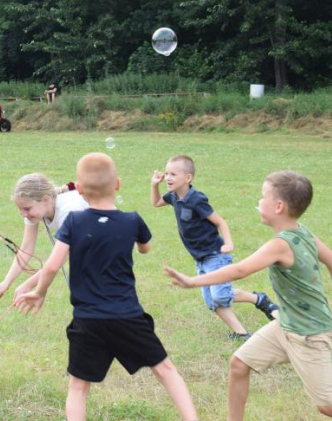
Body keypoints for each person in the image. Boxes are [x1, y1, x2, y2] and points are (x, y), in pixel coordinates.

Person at [16, 153, 199, 421]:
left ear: (78, 189)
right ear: (118, 185)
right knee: (165, 370)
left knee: (78, 388)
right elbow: (145, 248)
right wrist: (135, 241)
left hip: (88, 320)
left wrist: (39, 292)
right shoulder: (132, 220)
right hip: (127, 316)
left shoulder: (73, 222)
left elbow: (53, 265)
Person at [165, 171, 332, 420]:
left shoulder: (281, 244)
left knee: (327, 405)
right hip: (285, 324)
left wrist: (193, 281)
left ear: (278, 206)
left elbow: (240, 269)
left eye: (263, 197)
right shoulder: (304, 232)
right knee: (239, 364)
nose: (258, 201)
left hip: (308, 334)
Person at [151, 155, 279, 340]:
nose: (168, 178)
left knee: (220, 296)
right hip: (200, 258)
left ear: (188, 178)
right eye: (167, 173)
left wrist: (228, 243)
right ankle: (241, 333)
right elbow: (155, 203)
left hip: (215, 254)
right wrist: (154, 184)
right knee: (212, 300)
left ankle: (259, 300)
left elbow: (220, 221)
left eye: (173, 174)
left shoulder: (196, 199)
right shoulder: (173, 197)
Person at [0, 173, 87, 302]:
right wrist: (6, 282)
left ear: (46, 200)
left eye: (27, 208)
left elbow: (55, 263)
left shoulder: (69, 211)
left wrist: (28, 286)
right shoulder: (38, 211)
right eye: (20, 209)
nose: (23, 214)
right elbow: (26, 249)